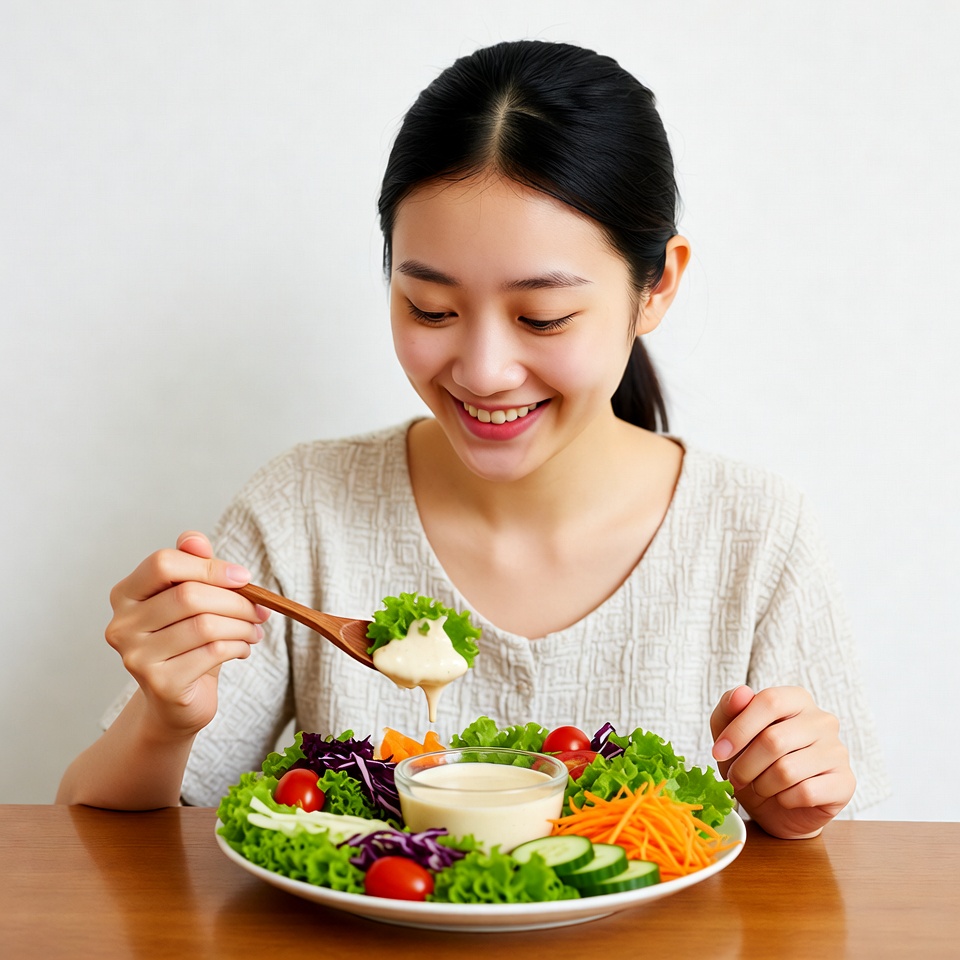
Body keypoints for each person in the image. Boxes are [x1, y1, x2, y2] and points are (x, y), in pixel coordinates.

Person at [58, 40, 888, 838]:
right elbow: (81, 824)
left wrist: (796, 810)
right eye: (431, 309)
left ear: (656, 286)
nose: (485, 370)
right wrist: (166, 721)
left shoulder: (756, 535)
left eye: (543, 317)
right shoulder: (303, 510)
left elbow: (861, 863)